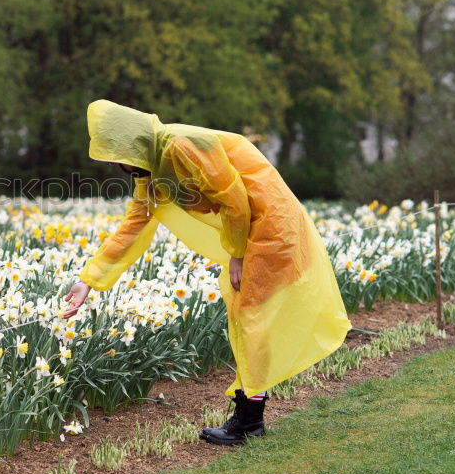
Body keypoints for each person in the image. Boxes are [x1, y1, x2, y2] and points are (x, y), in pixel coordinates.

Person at [61, 100, 351, 446]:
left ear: (131, 144)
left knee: (251, 314)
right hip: (252, 225)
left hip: (270, 223)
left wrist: (238, 253)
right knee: (246, 313)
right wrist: (88, 281)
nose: (116, 163)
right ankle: (249, 415)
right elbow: (134, 226)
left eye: (115, 153)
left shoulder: (182, 146)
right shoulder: (150, 169)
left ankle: (248, 422)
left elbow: (234, 199)